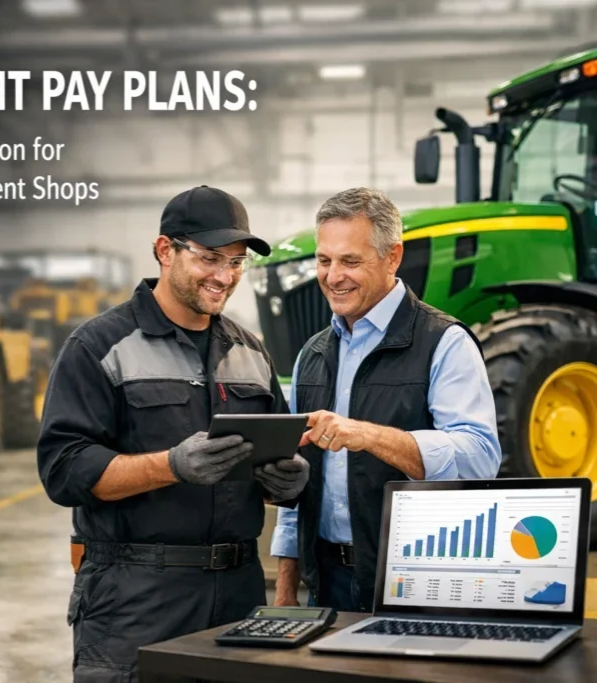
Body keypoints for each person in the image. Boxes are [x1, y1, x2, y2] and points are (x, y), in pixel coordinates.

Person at [37, 185, 311, 682]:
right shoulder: (99, 347)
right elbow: (63, 471)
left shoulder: (250, 352)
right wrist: (169, 466)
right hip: (136, 595)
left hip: (238, 591)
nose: (224, 276)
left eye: (235, 262)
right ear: (166, 250)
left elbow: (274, 448)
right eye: (209, 258)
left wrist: (286, 481)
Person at [270, 187, 502, 613]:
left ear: (393, 257)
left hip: (416, 581)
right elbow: (295, 485)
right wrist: (285, 590)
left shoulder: (445, 343)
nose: (332, 276)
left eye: (350, 261)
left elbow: (479, 457)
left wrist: (368, 436)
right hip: (327, 582)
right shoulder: (313, 354)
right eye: (324, 261)